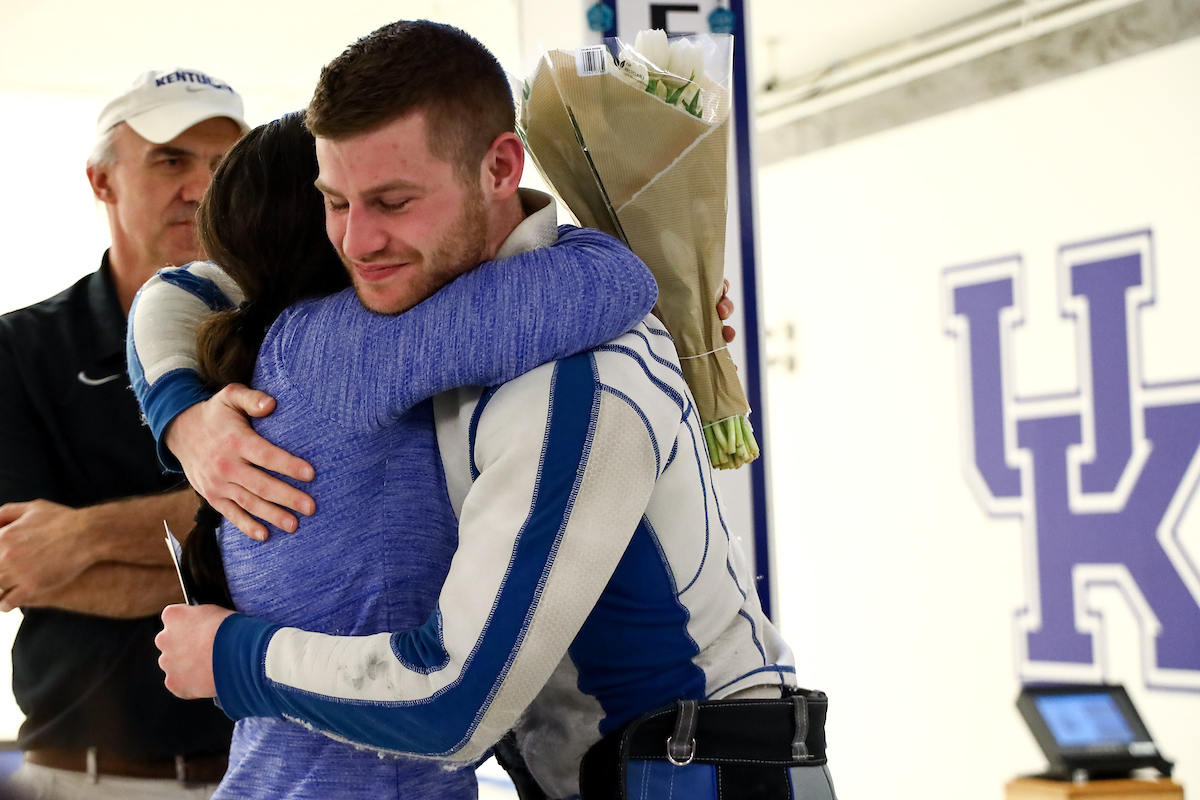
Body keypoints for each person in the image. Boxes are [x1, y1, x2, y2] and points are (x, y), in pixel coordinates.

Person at [144, 21, 829, 800]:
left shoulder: (570, 375)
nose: (358, 241)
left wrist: (235, 658)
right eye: (335, 203)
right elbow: (194, 285)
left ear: (501, 167)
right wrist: (184, 418)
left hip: (693, 777)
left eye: (393, 201)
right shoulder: (419, 329)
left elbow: (453, 703)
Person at [136, 109, 656, 799]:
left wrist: (176, 410)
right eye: (355, 200)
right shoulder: (348, 349)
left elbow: (172, 286)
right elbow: (611, 281)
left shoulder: (286, 352)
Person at [0, 70, 246, 797]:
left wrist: (79, 540)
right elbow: (16, 565)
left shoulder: (282, 337)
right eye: (171, 159)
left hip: (264, 769)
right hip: (82, 778)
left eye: (221, 166)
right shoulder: (21, 350)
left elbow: (304, 518)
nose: (201, 188)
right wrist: (232, 549)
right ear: (101, 181)